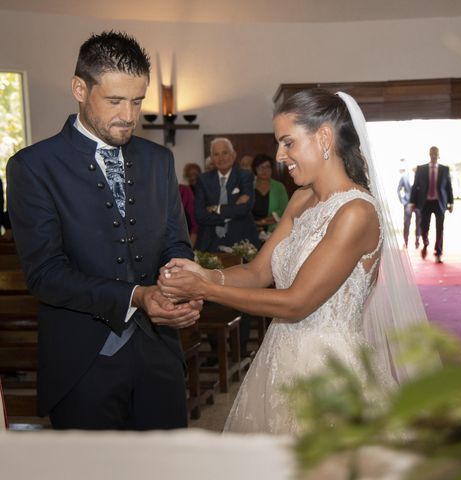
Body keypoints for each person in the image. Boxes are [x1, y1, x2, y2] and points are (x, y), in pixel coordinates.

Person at [159, 89, 435, 434]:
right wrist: (206, 273)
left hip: (328, 369)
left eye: (288, 143)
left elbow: (296, 303)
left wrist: (204, 288)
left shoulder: (356, 213)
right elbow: (259, 271)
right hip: (279, 356)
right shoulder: (301, 199)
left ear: (323, 137)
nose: (279, 155)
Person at [6, 31, 201, 430]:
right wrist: (137, 296)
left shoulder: (159, 160)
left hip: (159, 353)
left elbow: (176, 241)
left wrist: (184, 288)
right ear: (80, 88)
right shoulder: (33, 166)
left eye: (136, 100)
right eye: (114, 100)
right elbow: (45, 275)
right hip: (81, 361)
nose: (129, 116)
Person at [194, 138, 260, 253]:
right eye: (216, 154)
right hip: (210, 243)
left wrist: (216, 208)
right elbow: (200, 214)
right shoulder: (203, 180)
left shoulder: (245, 176)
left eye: (225, 153)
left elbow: (244, 208)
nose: (221, 158)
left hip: (241, 242)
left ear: (233, 155)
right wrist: (229, 214)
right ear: (212, 158)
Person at [409, 146, 454, 263]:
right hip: (425, 203)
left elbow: (448, 187)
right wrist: (412, 202)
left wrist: (451, 202)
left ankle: (438, 252)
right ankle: (425, 244)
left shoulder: (445, 169)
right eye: (431, 153)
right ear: (429, 154)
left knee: (440, 228)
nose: (433, 155)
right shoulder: (421, 169)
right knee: (424, 227)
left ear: (439, 155)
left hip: (440, 203)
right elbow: (415, 186)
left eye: (435, 153)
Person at [252, 153, 289, 235]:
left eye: (267, 167)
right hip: (251, 228)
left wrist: (263, 222)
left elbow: (284, 209)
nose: (264, 170)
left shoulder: (279, 187)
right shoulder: (249, 187)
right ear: (255, 169)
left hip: (274, 230)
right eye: (261, 167)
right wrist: (254, 224)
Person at [397, 159, 421, 249]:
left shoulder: (420, 176)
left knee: (418, 223)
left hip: (418, 204)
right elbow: (398, 189)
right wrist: (402, 201)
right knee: (406, 223)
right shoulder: (404, 176)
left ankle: (417, 241)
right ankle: (405, 241)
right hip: (407, 203)